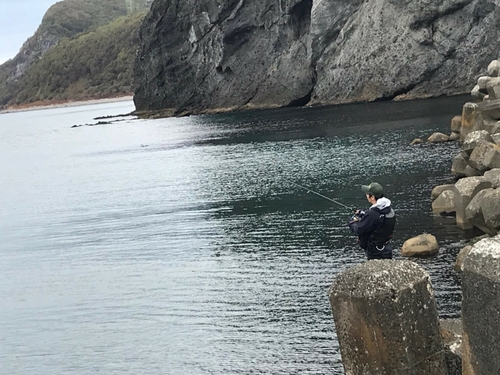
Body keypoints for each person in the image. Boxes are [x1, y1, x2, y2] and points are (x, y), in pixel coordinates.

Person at [348, 182, 396, 260]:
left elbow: (358, 230)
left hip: (375, 252)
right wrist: (363, 214)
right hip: (386, 248)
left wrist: (352, 222)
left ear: (372, 197)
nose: (366, 195)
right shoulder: (388, 209)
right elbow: (378, 221)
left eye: (367, 193)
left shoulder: (372, 214)